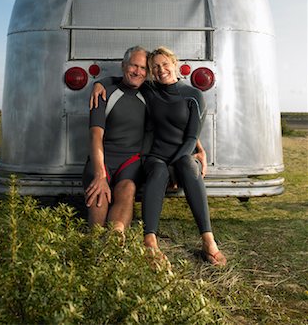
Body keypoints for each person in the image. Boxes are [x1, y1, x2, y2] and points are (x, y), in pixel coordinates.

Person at [91, 46, 226, 266]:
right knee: (158, 170)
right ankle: (150, 240)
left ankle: (208, 240)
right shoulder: (150, 90)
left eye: (165, 64)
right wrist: (99, 83)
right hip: (155, 155)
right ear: (152, 72)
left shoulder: (193, 95)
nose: (161, 69)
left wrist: (195, 152)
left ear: (175, 64)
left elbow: (191, 137)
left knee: (188, 166)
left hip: (182, 154)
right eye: (155, 67)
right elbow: (122, 79)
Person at [83, 46, 148, 237]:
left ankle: (115, 239)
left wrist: (197, 147)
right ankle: (95, 238)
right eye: (133, 66)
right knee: (99, 192)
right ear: (123, 66)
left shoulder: (149, 95)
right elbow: (96, 136)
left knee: (127, 189)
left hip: (131, 161)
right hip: (102, 159)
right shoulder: (104, 93)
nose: (138, 71)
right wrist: (99, 174)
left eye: (143, 68)